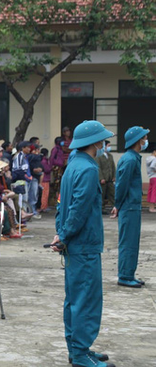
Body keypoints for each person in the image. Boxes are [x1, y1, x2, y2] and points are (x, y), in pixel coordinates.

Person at [49, 120, 115, 367]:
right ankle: (80, 353)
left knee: (74, 299)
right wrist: (64, 235)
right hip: (84, 244)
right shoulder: (88, 169)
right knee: (86, 299)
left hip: (73, 244)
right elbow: (79, 208)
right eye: (103, 139)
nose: (104, 142)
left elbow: (61, 204)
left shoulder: (73, 164)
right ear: (96, 142)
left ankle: (77, 348)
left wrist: (60, 233)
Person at [111, 126, 149, 288]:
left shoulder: (132, 157)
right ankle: (125, 275)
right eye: (144, 138)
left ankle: (129, 273)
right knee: (128, 242)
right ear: (138, 140)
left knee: (132, 241)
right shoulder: (130, 159)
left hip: (132, 206)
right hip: (129, 206)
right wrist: (117, 204)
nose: (146, 140)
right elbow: (121, 185)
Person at [96, 140, 116, 212]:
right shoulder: (99, 156)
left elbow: (113, 167)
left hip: (110, 178)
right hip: (103, 179)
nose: (109, 147)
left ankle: (115, 206)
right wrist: (101, 178)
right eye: (108, 146)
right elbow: (99, 167)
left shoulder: (110, 156)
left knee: (112, 193)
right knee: (102, 194)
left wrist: (114, 176)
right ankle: (101, 208)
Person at [147, 146, 156, 213]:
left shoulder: (148, 158)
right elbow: (153, 166)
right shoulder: (154, 159)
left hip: (151, 177)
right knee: (154, 192)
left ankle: (150, 207)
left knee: (150, 191)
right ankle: (152, 208)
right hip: (155, 177)